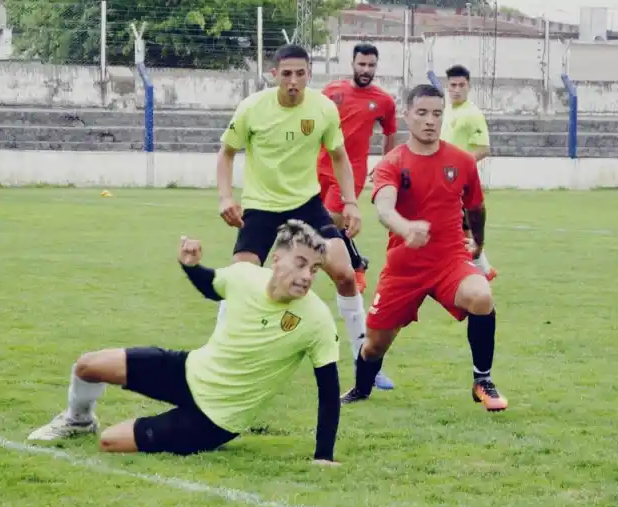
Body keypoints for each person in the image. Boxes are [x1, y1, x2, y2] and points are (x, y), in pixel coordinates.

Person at [28, 220, 343, 463]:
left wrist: (323, 456)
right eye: (300, 263)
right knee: (87, 366)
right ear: (276, 259)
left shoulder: (316, 319)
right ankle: (78, 421)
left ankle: (114, 431)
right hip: (190, 370)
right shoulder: (245, 275)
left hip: (215, 418)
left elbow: (328, 392)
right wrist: (190, 265)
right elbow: (211, 286)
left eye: (314, 269)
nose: (307, 275)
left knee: (110, 441)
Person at [216, 43, 392, 391]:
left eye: (300, 74)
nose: (293, 81)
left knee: (343, 272)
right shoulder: (252, 108)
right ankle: (221, 353)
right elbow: (226, 153)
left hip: (307, 204)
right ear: (274, 75)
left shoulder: (324, 108)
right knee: (240, 280)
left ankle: (363, 355)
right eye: (286, 74)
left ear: (309, 74)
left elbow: (339, 157)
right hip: (262, 207)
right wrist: (225, 197)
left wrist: (352, 203)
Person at [340, 84, 509, 413]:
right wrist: (406, 228)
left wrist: (479, 242)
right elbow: (385, 209)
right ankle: (361, 388)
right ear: (407, 115)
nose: (430, 120)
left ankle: (482, 380)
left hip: (450, 262)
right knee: (374, 345)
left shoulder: (461, 161)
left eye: (436, 113)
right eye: (422, 113)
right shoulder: (393, 162)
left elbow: (476, 207)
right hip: (404, 269)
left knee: (482, 296)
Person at [317, 42, 398, 296]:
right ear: (352, 63)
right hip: (319, 166)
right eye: (361, 64)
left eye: (371, 65)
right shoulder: (331, 91)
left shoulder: (383, 101)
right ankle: (356, 263)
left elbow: (390, 134)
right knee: (319, 223)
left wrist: (386, 165)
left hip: (352, 173)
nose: (366, 69)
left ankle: (346, 267)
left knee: (329, 221)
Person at [435, 64, 497, 281]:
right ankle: (483, 269)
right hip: (443, 179)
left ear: (469, 86)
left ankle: (479, 269)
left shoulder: (473, 114)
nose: (457, 89)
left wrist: (459, 167)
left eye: (462, 85)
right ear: (447, 86)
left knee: (462, 227)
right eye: (453, 85)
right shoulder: (446, 110)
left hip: (458, 180)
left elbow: (484, 148)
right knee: (461, 227)